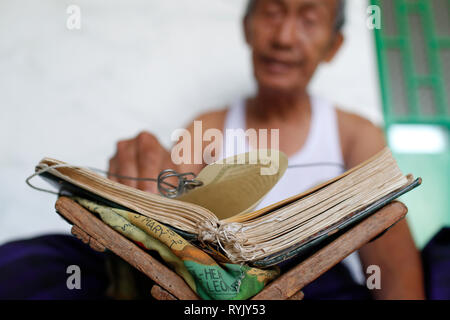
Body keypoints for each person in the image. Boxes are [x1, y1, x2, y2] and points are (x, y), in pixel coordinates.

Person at [0, 0, 427, 300]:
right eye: (272, 13)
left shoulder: (356, 135)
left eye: (309, 18)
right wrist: (137, 191)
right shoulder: (209, 128)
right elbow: (168, 214)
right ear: (247, 28)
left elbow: (394, 271)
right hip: (217, 293)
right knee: (32, 264)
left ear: (333, 47)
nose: (283, 37)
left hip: (314, 288)